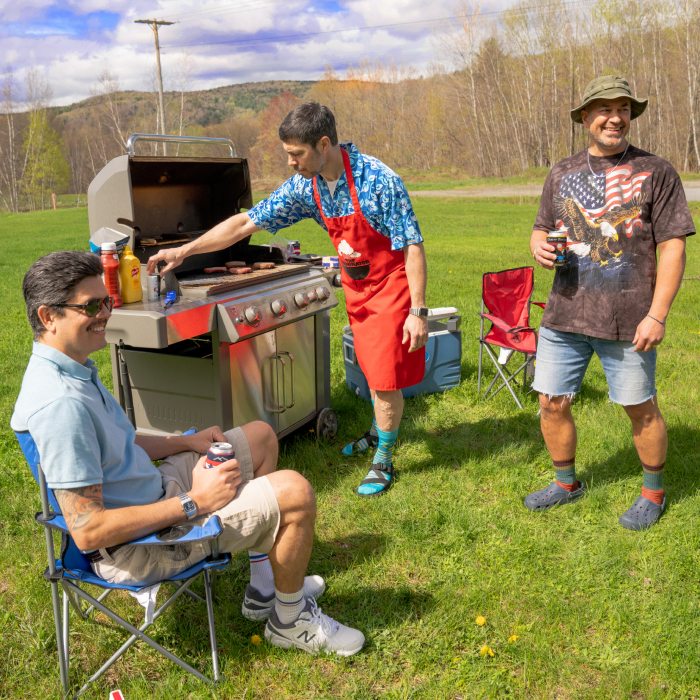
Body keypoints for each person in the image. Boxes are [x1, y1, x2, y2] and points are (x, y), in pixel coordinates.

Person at [11, 250, 365, 656]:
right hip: (141, 547)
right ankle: (291, 621)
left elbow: (121, 443)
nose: (105, 313)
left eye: (106, 301)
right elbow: (90, 530)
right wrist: (194, 502)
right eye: (91, 305)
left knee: (262, 436)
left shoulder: (71, 370)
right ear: (48, 316)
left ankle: (265, 589)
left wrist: (186, 443)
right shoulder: (61, 405)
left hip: (157, 495)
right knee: (295, 492)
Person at [147, 102, 429, 498]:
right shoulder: (305, 186)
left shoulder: (378, 181)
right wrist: (185, 251)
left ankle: (383, 458)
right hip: (356, 286)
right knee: (370, 369)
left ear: (324, 144)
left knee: (383, 379)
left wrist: (417, 310)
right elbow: (247, 222)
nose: (291, 163)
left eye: (296, 154)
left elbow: (412, 244)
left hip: (391, 284)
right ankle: (377, 430)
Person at [526, 75, 695, 530]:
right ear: (585, 117)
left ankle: (653, 493)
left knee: (640, 407)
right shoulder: (562, 173)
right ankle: (566, 484)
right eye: (603, 108)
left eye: (622, 107)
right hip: (564, 312)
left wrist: (657, 314)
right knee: (551, 402)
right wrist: (537, 245)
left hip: (629, 318)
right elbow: (542, 227)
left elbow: (674, 246)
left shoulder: (656, 171)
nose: (614, 116)